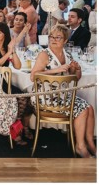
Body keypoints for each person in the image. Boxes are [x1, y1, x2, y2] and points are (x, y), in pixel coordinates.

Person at [30, 24, 96, 158]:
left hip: (61, 96)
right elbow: (33, 76)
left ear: (65, 41)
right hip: (44, 97)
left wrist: (77, 69)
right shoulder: (44, 54)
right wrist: (55, 70)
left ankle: (90, 143)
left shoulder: (67, 54)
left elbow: (75, 78)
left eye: (58, 37)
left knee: (89, 108)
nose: (53, 39)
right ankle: (80, 146)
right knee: (83, 110)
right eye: (51, 37)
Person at [0, 22, 33, 146]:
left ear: (5, 34)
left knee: (28, 98)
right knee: (21, 99)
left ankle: (21, 127)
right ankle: (17, 131)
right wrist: (8, 53)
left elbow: (18, 66)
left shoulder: (6, 47)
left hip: (3, 83)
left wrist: (12, 51)